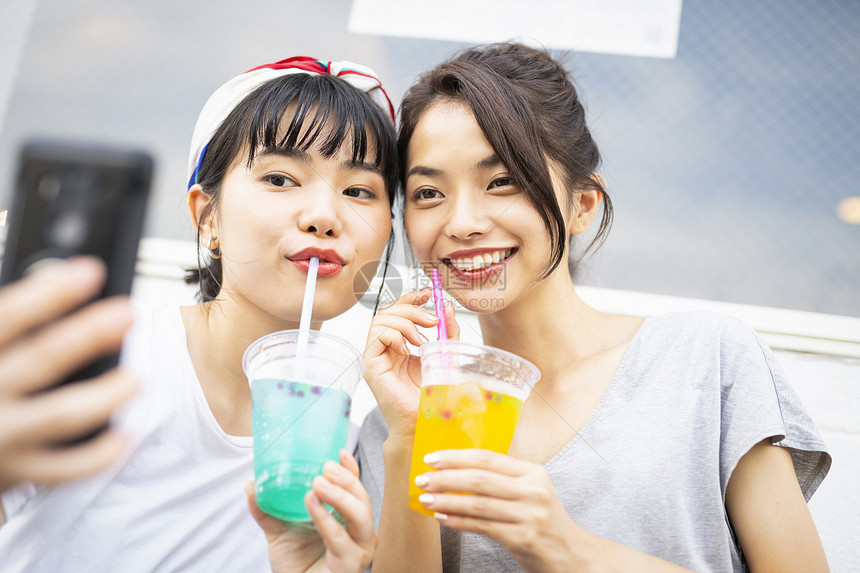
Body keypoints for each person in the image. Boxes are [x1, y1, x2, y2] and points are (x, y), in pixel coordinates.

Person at [358, 42, 831, 572]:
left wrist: (568, 548)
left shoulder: (707, 360)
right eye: (427, 193)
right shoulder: (395, 420)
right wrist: (408, 440)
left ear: (582, 204)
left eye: (502, 181)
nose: (462, 222)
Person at [0, 55, 398, 572]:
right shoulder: (109, 354)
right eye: (280, 179)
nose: (324, 216)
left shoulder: (342, 442)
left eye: (359, 191)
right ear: (206, 217)